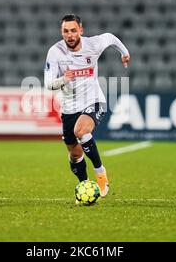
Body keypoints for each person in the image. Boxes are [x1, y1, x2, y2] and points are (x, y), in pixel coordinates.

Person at [44, 14, 130, 198]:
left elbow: (111, 38)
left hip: (94, 101)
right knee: (74, 154)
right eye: (65, 31)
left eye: (73, 30)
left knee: (81, 131)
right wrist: (63, 79)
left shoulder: (93, 44)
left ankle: (100, 173)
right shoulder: (55, 52)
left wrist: (124, 53)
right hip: (69, 108)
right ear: (62, 32)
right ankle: (84, 187)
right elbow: (48, 84)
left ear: (80, 31)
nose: (70, 35)